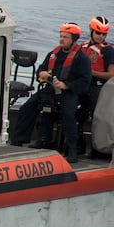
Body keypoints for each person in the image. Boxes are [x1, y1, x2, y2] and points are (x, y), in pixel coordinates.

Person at [10, 23, 92, 162]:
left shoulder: (82, 58)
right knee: (27, 108)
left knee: (68, 114)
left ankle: (72, 148)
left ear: (73, 39)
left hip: (69, 92)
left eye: (65, 37)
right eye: (61, 36)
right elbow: (41, 68)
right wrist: (41, 73)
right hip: (50, 89)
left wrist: (66, 85)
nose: (62, 39)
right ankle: (19, 140)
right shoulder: (53, 54)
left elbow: (85, 81)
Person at [77, 16, 114, 157]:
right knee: (76, 114)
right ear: (91, 31)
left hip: (98, 87)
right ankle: (77, 145)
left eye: (104, 34)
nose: (101, 36)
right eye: (98, 33)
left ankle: (96, 150)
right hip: (81, 85)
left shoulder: (108, 50)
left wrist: (91, 72)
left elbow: (111, 74)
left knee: (96, 117)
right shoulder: (82, 47)